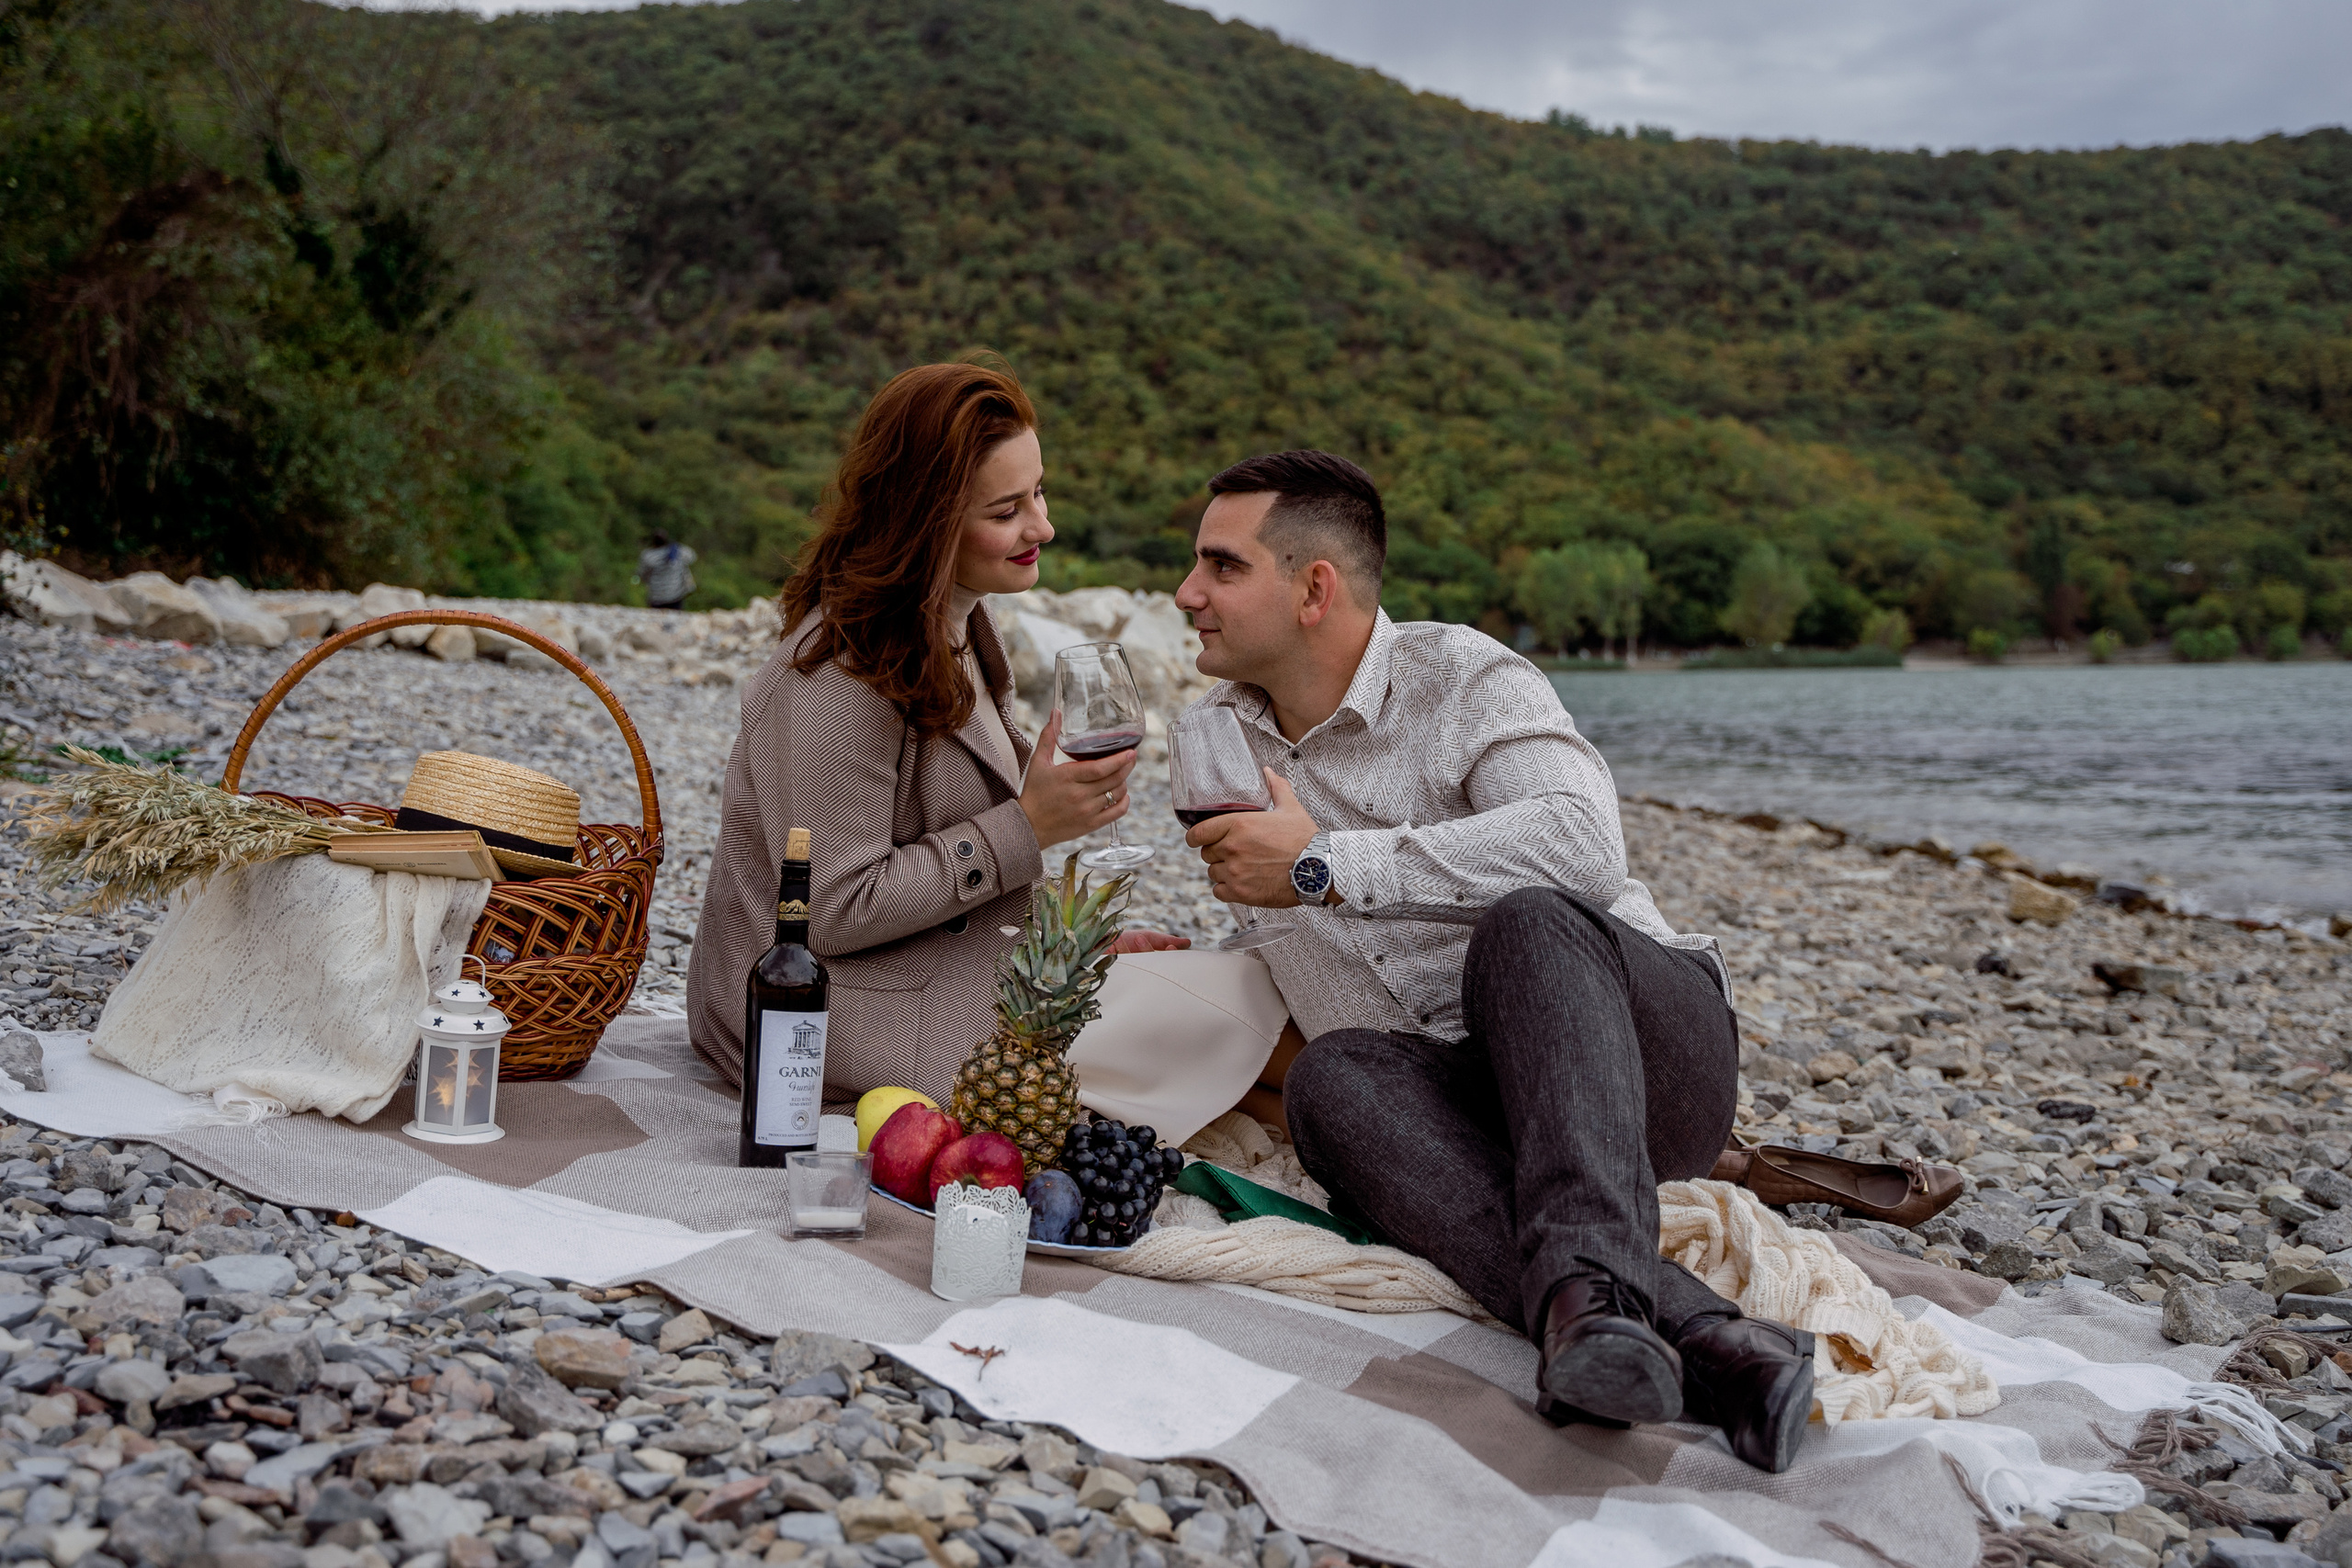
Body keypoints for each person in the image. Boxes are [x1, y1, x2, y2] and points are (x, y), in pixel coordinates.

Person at [1171, 450, 1815, 1472]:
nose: (1186, 593)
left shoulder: (1464, 677)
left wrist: (1323, 864)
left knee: (1530, 923)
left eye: (1221, 566)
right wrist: (1189, 970)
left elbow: (1582, 848)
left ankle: (1620, 1308)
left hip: (1637, 1058)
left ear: (1314, 588)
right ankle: (1695, 1338)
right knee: (1332, 1081)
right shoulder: (1215, 740)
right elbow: (1284, 939)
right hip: (1472, 1105)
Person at [685, 360, 1185, 1100]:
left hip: (930, 980)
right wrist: (1027, 826)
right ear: (927, 519)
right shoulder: (833, 677)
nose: (1043, 526)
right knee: (1198, 1048)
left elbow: (941, 844)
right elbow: (832, 909)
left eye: (1039, 491)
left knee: (1210, 1008)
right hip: (828, 1024)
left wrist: (1072, 947)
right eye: (1006, 510)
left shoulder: (960, 627)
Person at [638, 531, 698, 611]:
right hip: (675, 595)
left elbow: (642, 574)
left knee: (656, 617)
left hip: (656, 596)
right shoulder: (678, 552)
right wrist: (676, 545)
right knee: (676, 616)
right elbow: (692, 556)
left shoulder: (648, 555)